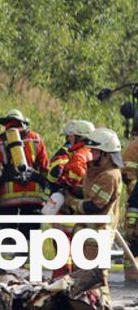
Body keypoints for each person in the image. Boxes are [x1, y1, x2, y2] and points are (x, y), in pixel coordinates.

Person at [63, 127, 123, 304]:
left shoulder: (110, 176)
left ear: (106, 154)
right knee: (81, 279)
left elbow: (94, 205)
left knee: (96, 279)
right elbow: (89, 193)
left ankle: (104, 306)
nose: (91, 154)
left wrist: (70, 202)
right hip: (86, 235)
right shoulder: (97, 172)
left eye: (95, 151)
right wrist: (70, 188)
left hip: (96, 237)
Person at [0, 109, 49, 239]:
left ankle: (9, 257)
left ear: (6, 125)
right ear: (23, 123)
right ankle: (27, 258)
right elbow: (44, 167)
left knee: (8, 234)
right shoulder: (36, 138)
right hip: (33, 196)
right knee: (30, 234)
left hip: (8, 196)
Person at [45, 120, 94, 278]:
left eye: (71, 137)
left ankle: (61, 277)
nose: (69, 140)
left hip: (69, 207)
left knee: (63, 244)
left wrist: (64, 183)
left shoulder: (80, 154)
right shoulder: (91, 152)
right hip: (80, 207)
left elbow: (74, 174)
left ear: (79, 137)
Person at [121, 131, 138, 283]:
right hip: (135, 203)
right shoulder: (134, 147)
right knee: (133, 242)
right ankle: (132, 275)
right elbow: (127, 173)